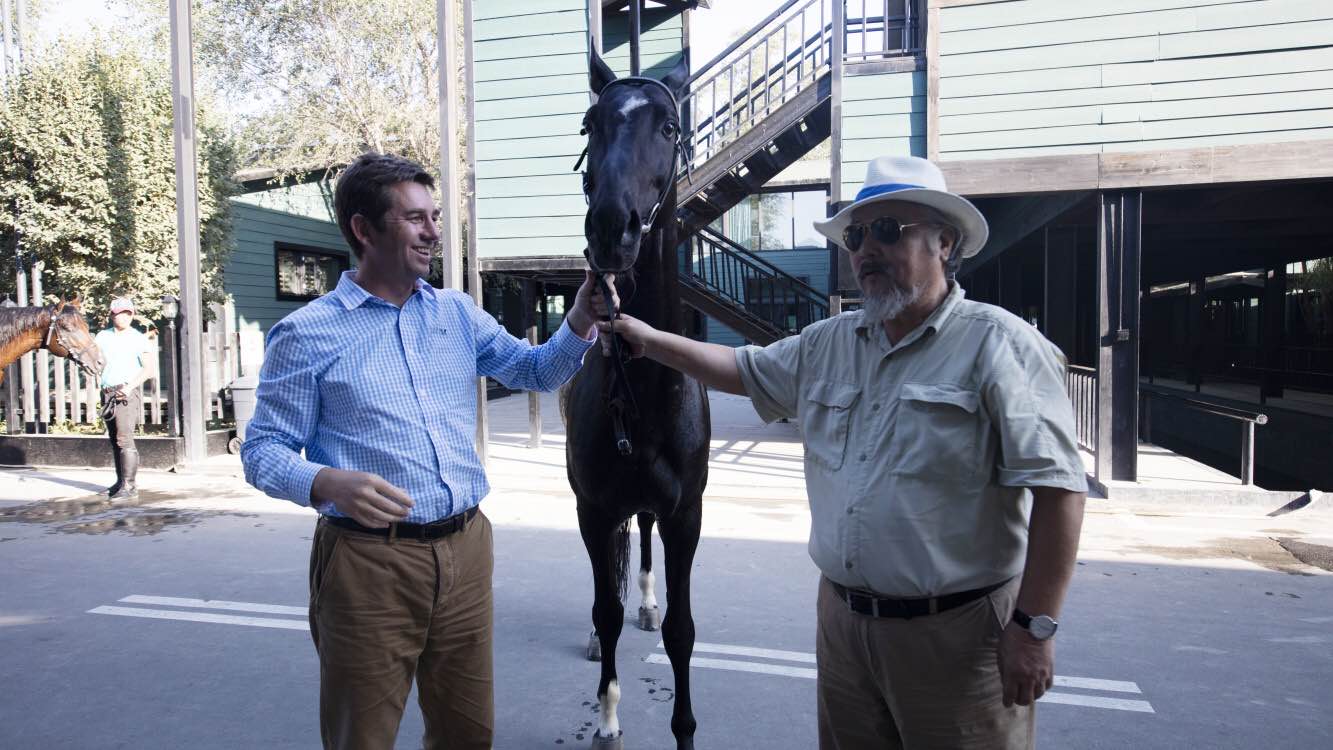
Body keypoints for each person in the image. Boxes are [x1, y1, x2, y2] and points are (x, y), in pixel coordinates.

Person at [594, 155, 1087, 749]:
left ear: (945, 242)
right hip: (845, 630)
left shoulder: (1000, 346)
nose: (866, 250)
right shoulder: (831, 343)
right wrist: (647, 340)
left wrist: (1033, 629)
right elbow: (737, 368)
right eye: (856, 236)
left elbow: (1060, 491)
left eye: (887, 231)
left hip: (956, 639)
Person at [240, 152, 609, 750]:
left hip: (467, 547)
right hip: (368, 564)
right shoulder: (307, 333)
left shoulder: (456, 313)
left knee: (469, 733)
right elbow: (262, 451)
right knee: (362, 735)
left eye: (435, 217)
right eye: (416, 219)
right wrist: (327, 482)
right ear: (364, 230)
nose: (435, 233)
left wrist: (579, 318)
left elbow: (535, 370)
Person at [95, 296, 153, 500]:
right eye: (121, 313)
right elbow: (96, 361)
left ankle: (129, 486)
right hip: (108, 392)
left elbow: (148, 369)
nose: (125, 317)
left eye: (128, 313)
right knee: (114, 439)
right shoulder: (102, 336)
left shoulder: (138, 338)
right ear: (112, 315)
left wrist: (129, 387)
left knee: (124, 439)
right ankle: (120, 481)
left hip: (126, 393)